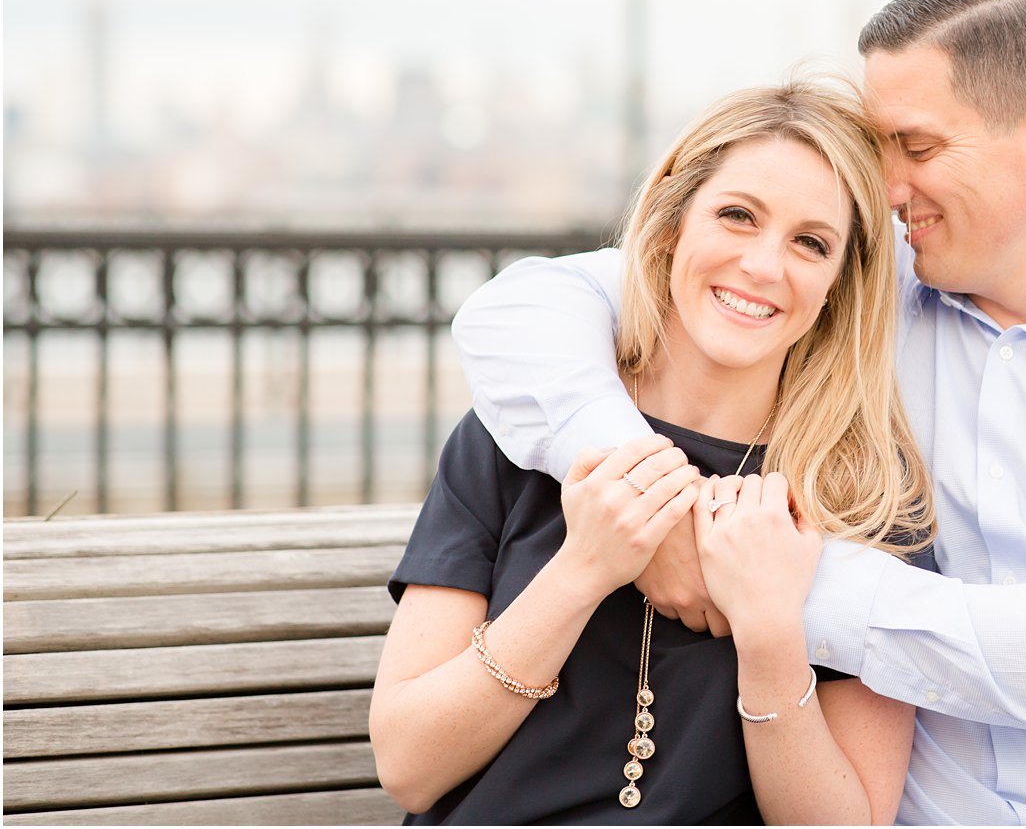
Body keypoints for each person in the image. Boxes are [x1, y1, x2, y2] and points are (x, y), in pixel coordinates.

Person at [451, 0, 1026, 825]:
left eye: (916, 147)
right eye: (879, 149)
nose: (883, 186)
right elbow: (521, 310)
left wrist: (769, 580)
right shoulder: (861, 288)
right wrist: (653, 503)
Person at [370, 78, 935, 825]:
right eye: (738, 216)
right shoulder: (517, 432)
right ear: (673, 220)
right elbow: (408, 767)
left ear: (840, 279)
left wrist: (769, 632)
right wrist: (585, 568)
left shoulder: (866, 498)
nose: (764, 266)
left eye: (811, 242)